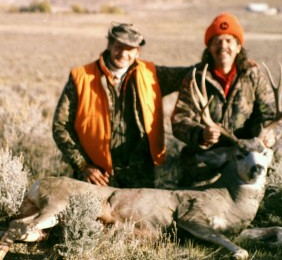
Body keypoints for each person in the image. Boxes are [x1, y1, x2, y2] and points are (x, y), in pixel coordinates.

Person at [53, 22, 190, 188]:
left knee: (141, 215)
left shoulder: (152, 74)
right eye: (119, 46)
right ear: (110, 45)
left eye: (130, 48)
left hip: (140, 176)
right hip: (97, 177)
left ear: (138, 51)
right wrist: (83, 165)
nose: (123, 53)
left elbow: (191, 73)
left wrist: (216, 53)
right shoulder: (81, 78)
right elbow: (60, 126)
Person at [171, 12, 282, 186]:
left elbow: (272, 115)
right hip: (214, 151)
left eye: (229, 41)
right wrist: (201, 134)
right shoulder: (196, 78)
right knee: (192, 172)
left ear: (238, 47)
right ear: (209, 47)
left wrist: (271, 134)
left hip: (249, 149)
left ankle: (275, 194)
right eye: (217, 41)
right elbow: (180, 120)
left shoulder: (253, 75)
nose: (223, 46)